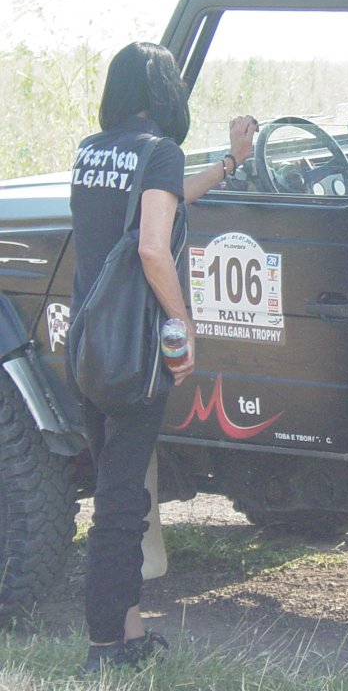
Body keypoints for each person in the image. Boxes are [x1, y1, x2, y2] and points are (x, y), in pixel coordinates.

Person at [69, 41, 258, 672]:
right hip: (135, 353)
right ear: (165, 92)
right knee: (122, 502)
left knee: (117, 489)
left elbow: (167, 195)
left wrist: (231, 162)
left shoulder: (92, 151)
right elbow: (153, 247)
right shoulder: (159, 151)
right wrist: (182, 324)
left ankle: (127, 636)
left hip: (90, 346)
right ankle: (104, 647)